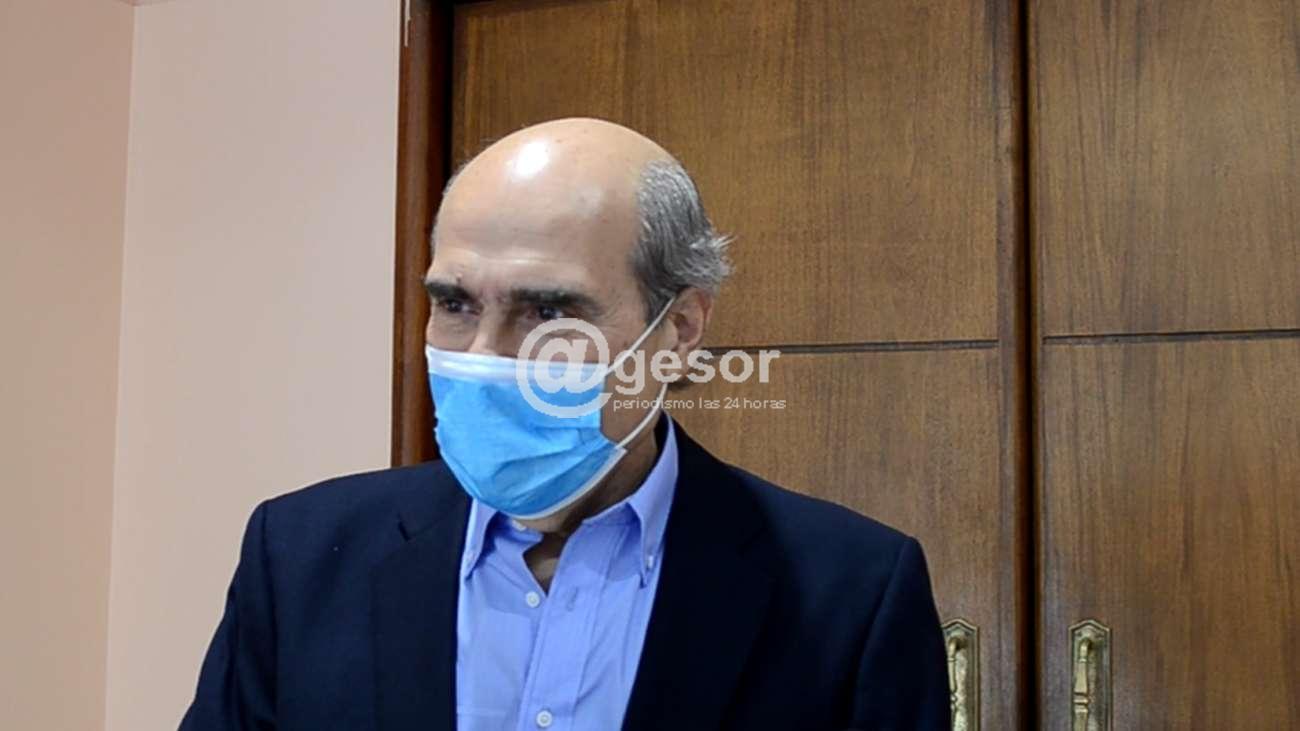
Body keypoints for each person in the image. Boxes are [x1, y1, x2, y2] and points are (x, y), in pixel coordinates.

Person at [180, 118, 950, 730]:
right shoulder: (300, 559)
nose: (484, 356)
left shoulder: (849, 594)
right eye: (455, 304)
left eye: (548, 311)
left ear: (679, 330)